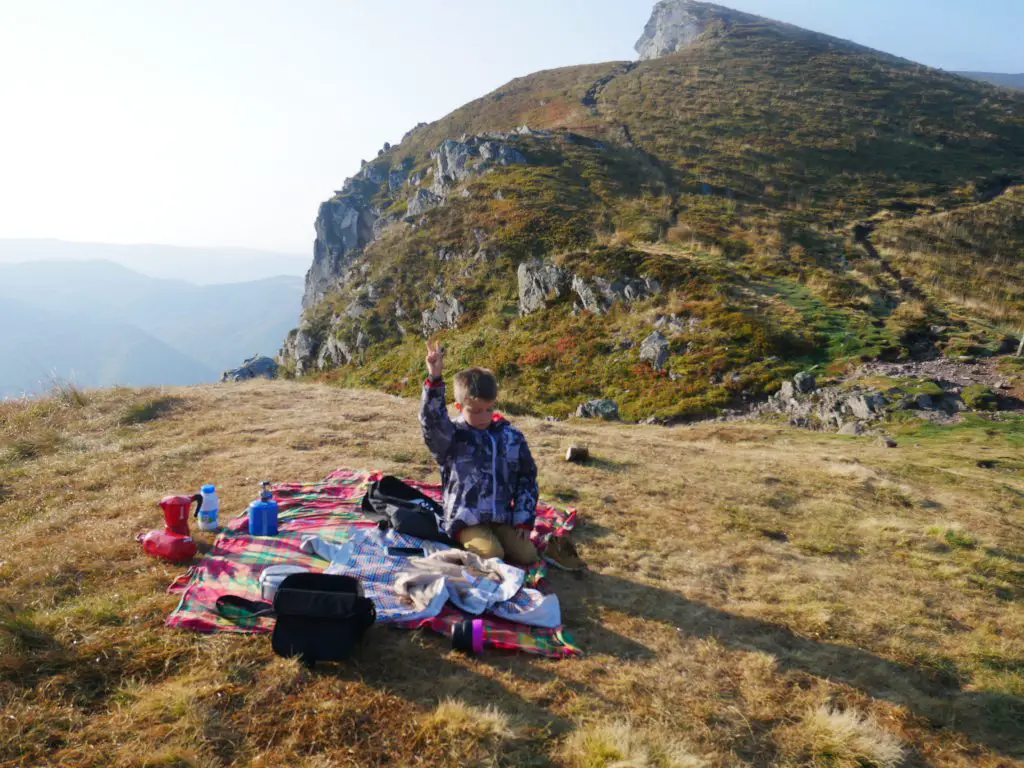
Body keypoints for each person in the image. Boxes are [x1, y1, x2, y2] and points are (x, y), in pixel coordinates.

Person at [419, 339, 540, 565]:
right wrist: (434, 379)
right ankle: (469, 543)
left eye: (489, 409)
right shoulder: (451, 436)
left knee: (528, 555)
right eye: (475, 411)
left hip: (502, 517)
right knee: (493, 555)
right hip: (466, 519)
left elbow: (527, 478)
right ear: (459, 407)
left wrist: (523, 519)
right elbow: (431, 422)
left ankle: (500, 536)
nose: (484, 417)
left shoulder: (512, 437)